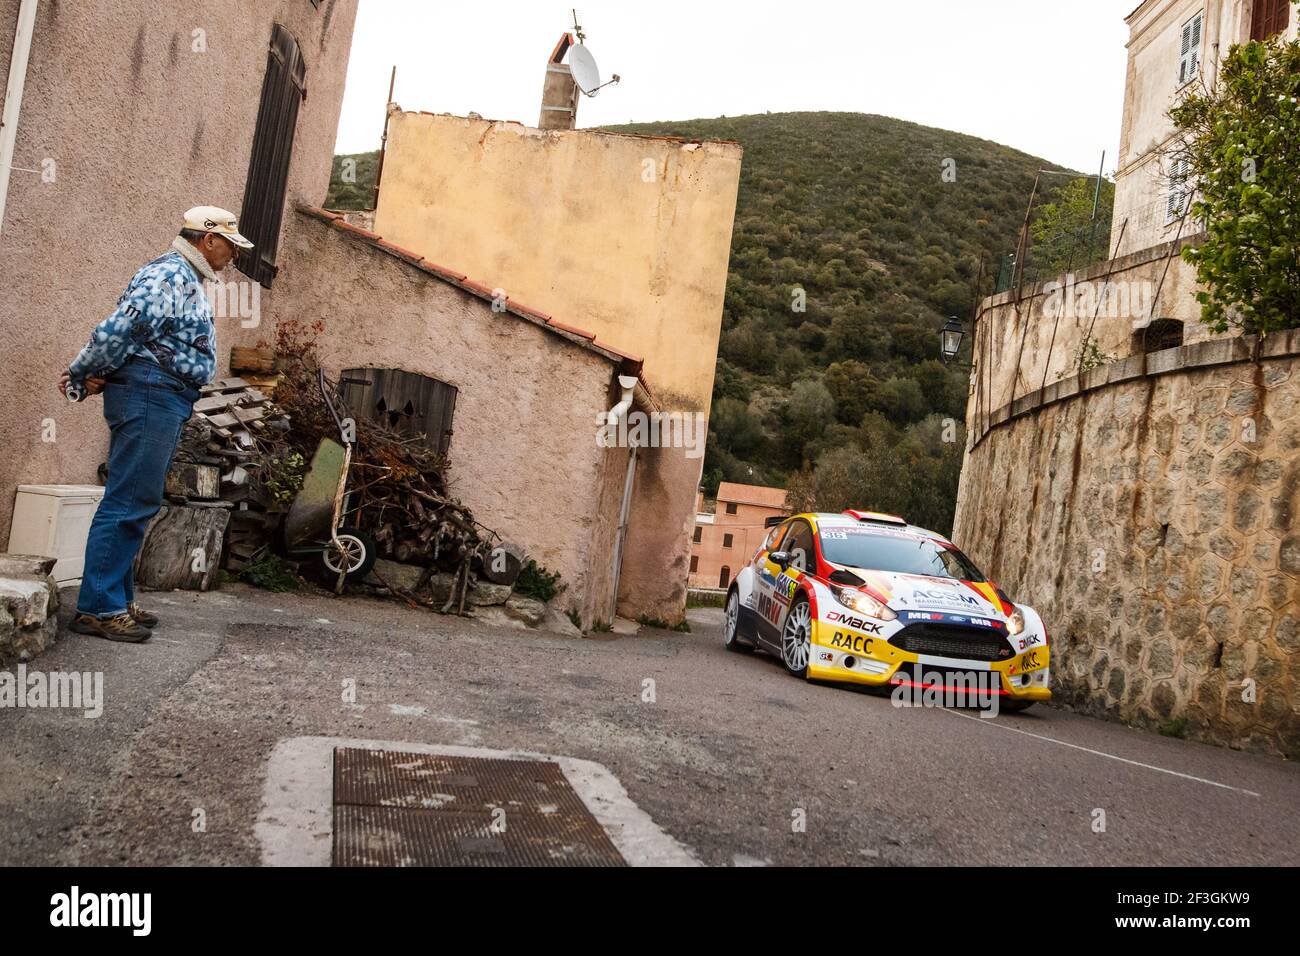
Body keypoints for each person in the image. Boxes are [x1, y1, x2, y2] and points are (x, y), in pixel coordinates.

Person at [59, 206, 253, 642]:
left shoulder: (183, 276)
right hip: (150, 393)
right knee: (128, 501)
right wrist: (80, 372)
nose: (233, 256)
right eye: (230, 246)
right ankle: (98, 609)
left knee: (136, 500)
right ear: (208, 240)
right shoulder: (169, 275)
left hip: (160, 395)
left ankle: (116, 599)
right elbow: (119, 329)